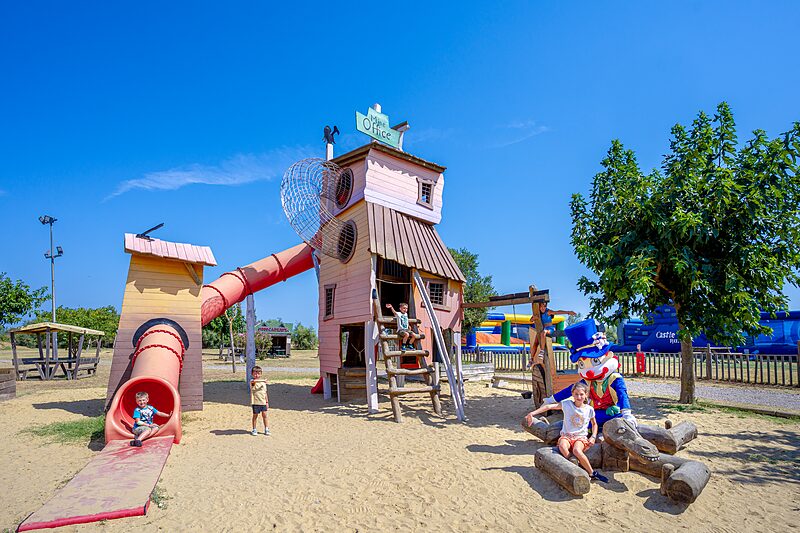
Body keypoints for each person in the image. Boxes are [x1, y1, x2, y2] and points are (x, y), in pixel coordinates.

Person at [525, 382, 608, 482]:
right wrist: (532, 414)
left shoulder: (589, 409)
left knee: (577, 451)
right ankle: (573, 464)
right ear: (572, 394)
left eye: (581, 394)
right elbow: (548, 407)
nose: (579, 396)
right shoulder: (567, 404)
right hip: (567, 436)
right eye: (576, 394)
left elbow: (594, 424)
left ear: (586, 395)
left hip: (580, 437)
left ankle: (592, 473)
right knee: (562, 446)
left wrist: (593, 437)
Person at [250, 366, 270, 436]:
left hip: (263, 402)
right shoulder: (252, 381)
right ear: (252, 374)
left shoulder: (263, 383)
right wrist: (264, 380)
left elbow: (265, 393)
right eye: (255, 373)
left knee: (265, 415)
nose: (257, 375)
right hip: (255, 402)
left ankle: (266, 428)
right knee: (255, 416)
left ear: (261, 374)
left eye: (258, 373)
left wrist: (267, 402)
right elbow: (253, 382)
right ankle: (254, 429)